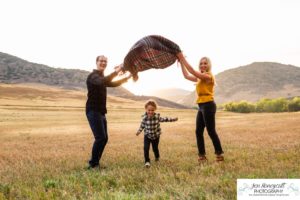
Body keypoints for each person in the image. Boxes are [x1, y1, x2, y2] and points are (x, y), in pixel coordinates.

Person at [177, 53, 224, 162]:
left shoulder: (208, 76)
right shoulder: (199, 78)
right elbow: (186, 76)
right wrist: (181, 63)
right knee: (198, 131)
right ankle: (202, 156)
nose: (203, 65)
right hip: (201, 106)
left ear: (209, 65)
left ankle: (219, 155)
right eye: (201, 64)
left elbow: (192, 71)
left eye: (205, 63)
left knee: (211, 131)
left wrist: (182, 58)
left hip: (208, 105)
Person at [86, 55, 131, 169]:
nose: (103, 63)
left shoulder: (102, 78)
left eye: (105, 61)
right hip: (93, 111)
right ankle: (93, 164)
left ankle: (95, 162)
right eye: (101, 61)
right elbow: (105, 81)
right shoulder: (93, 77)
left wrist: (128, 77)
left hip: (101, 112)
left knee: (104, 138)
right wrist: (117, 71)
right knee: (100, 138)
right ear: (96, 62)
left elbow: (113, 83)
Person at [136, 100, 178, 168]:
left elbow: (165, 119)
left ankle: (157, 157)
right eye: (149, 110)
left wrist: (173, 119)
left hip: (156, 136)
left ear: (155, 109)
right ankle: (147, 161)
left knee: (155, 148)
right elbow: (142, 126)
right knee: (146, 148)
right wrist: (139, 131)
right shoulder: (144, 118)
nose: (150, 112)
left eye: (152, 110)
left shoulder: (157, 117)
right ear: (146, 109)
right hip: (147, 135)